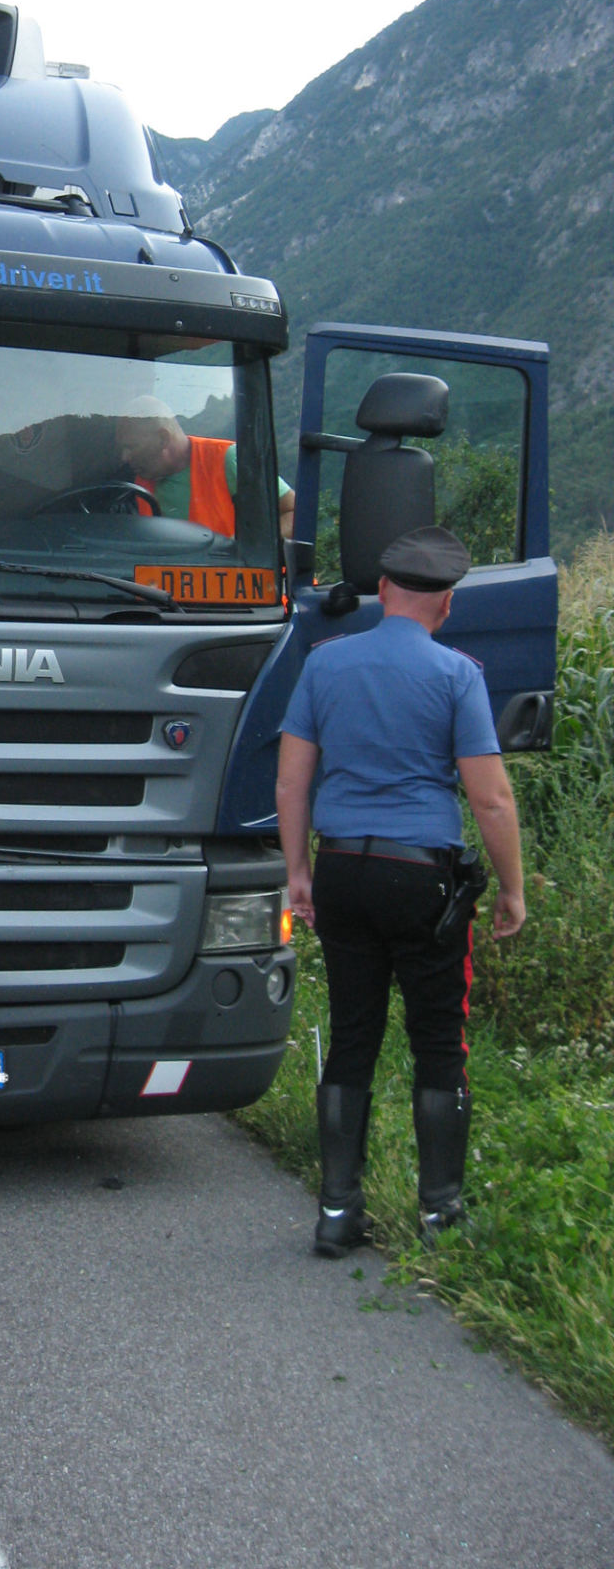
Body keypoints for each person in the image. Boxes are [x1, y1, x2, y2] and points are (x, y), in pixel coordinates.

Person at [275, 525, 526, 1255]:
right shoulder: (458, 675)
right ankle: (440, 1216)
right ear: (446, 605)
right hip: (422, 876)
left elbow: (292, 781)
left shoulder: (325, 664)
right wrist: (513, 889)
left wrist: (298, 873)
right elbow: (492, 801)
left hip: (342, 869)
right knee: (438, 1041)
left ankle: (336, 1212)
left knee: (353, 1035)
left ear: (382, 593)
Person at [115, 396, 296, 538]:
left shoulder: (228, 458)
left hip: (259, 584)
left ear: (163, 438)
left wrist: (248, 546)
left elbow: (294, 511)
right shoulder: (133, 484)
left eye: (131, 447)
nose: (125, 457)